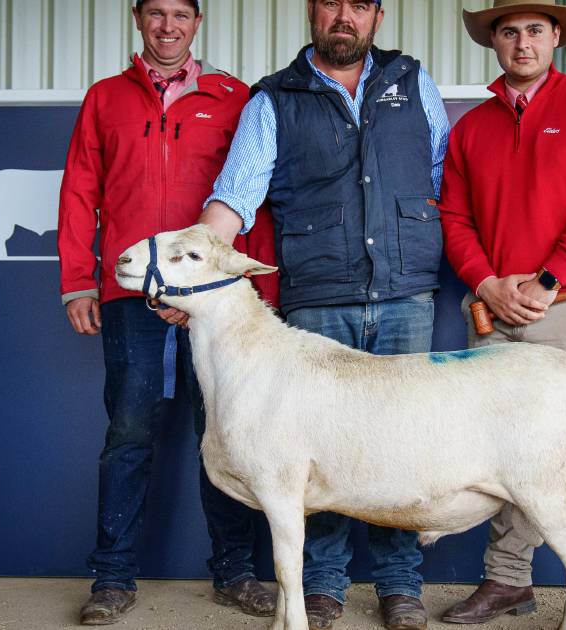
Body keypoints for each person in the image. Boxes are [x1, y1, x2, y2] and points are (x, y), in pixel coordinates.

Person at [195, 1, 449, 627]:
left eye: (358, 5)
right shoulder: (272, 100)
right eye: (331, 2)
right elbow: (236, 193)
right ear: (312, 12)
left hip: (404, 292)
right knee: (318, 449)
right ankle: (323, 586)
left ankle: (399, 587)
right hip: (317, 295)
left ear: (377, 17)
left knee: (402, 443)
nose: (344, 16)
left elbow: (445, 177)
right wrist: (195, 265)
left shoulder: (415, 83)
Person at [57, 0, 277, 625]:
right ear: (138, 17)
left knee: (227, 435)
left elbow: (252, 196)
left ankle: (235, 573)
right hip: (131, 299)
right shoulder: (105, 98)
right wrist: (78, 281)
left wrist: (258, 291)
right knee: (129, 434)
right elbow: (79, 191)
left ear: (197, 22)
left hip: (212, 302)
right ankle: (113, 578)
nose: (169, 26)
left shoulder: (234, 97)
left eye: (181, 14)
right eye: (157, 13)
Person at [436, 2, 566, 629]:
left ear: (555, 36)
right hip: (497, 310)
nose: (522, 43)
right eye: (509, 31)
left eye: (535, 30)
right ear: (494, 43)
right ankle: (508, 581)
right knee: (505, 452)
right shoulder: (472, 129)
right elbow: (454, 218)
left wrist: (550, 279)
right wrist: (486, 282)